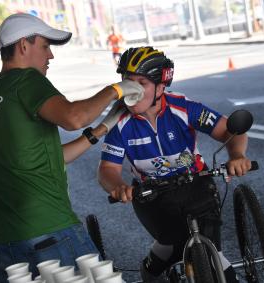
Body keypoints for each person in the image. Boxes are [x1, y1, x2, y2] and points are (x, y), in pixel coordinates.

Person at [0, 13, 144, 283]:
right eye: (45, 46)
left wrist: (100, 130)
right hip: (49, 229)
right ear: (23, 46)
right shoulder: (25, 80)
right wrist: (118, 89)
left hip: (5, 242)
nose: (50, 56)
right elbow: (74, 117)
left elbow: (48, 158)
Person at [97, 47, 252, 282]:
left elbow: (232, 130)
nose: (131, 90)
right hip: (151, 195)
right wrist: (118, 186)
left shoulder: (183, 107)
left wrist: (237, 155)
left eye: (142, 83)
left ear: (161, 87)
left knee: (213, 252)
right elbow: (107, 170)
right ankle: (151, 268)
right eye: (127, 82)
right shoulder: (119, 122)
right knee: (170, 246)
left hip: (196, 184)